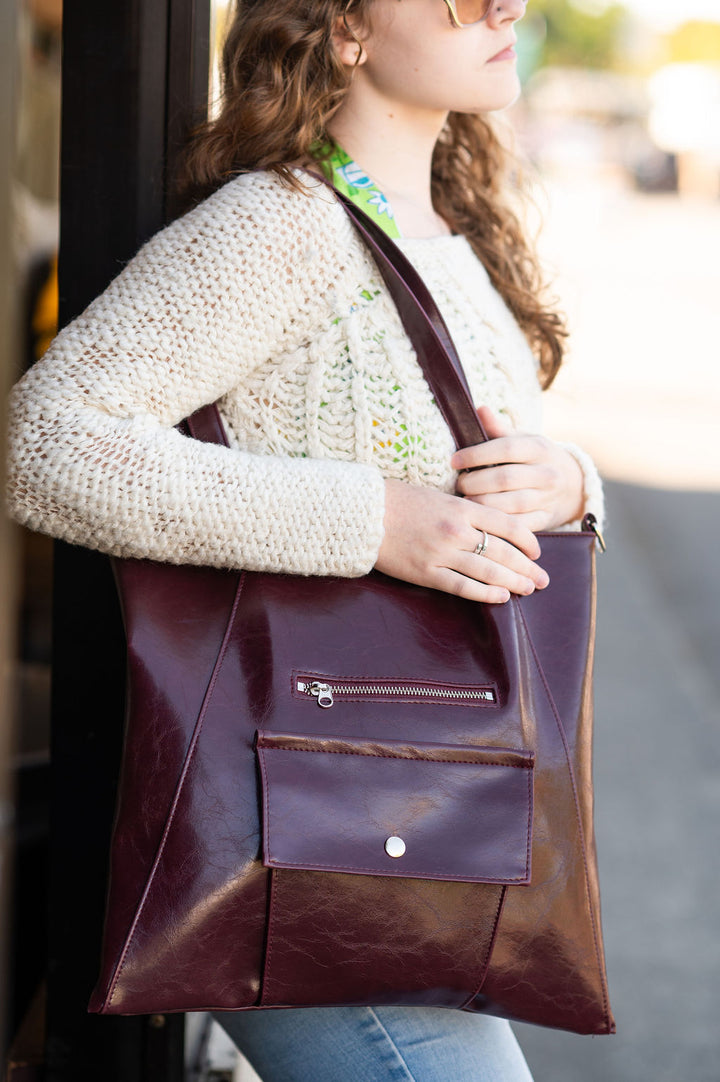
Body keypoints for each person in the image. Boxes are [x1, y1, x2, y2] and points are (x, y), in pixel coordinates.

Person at [7, 0, 605, 1078]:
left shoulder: (455, 233)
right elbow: (48, 442)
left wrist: (570, 480)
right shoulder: (278, 224)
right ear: (345, 29)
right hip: (299, 833)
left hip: (432, 818)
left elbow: (494, 483)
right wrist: (372, 520)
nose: (503, 5)